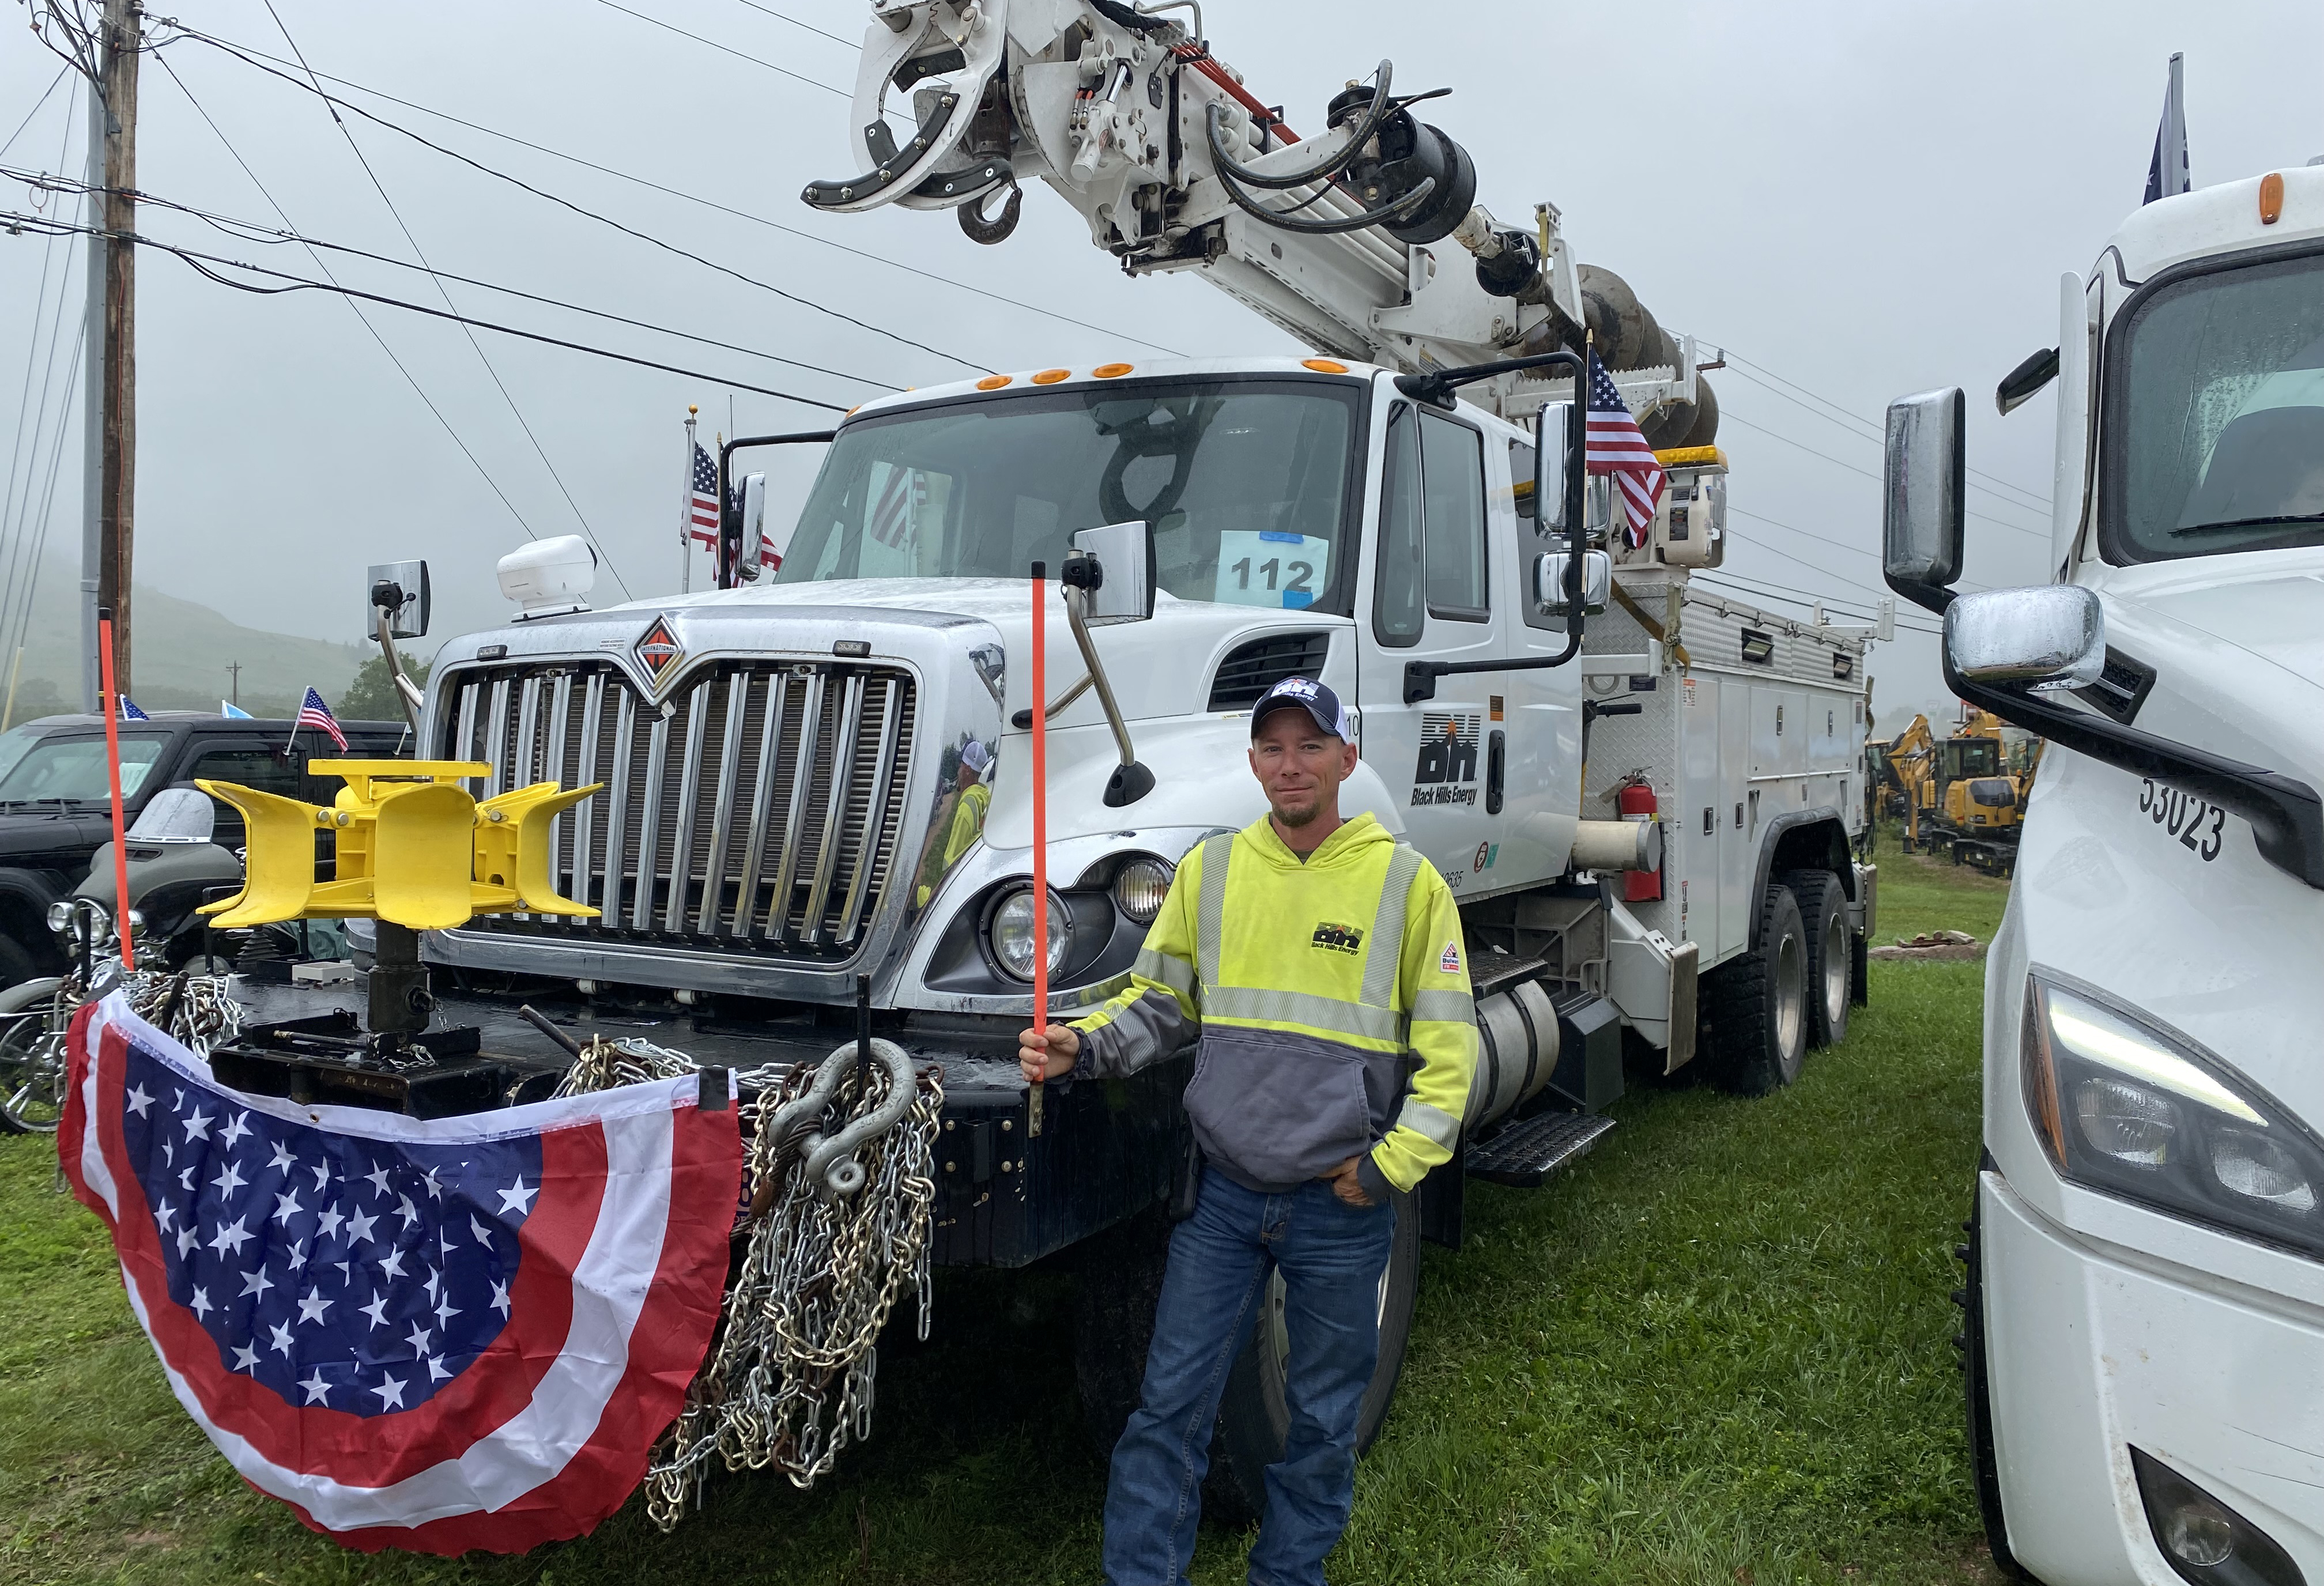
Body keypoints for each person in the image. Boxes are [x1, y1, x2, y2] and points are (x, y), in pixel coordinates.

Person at [1018, 675, 1476, 1586]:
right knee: (1165, 1414)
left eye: (1311, 746)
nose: (1290, 765)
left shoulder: (1408, 887)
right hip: (1223, 1202)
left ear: (1349, 757)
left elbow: (1451, 1058)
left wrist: (1386, 1172)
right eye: (1272, 747)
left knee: (1319, 1426)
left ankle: (1288, 1574)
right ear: (1254, 761)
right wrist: (1085, 1043)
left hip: (1339, 1211)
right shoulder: (1213, 871)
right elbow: (1159, 1003)